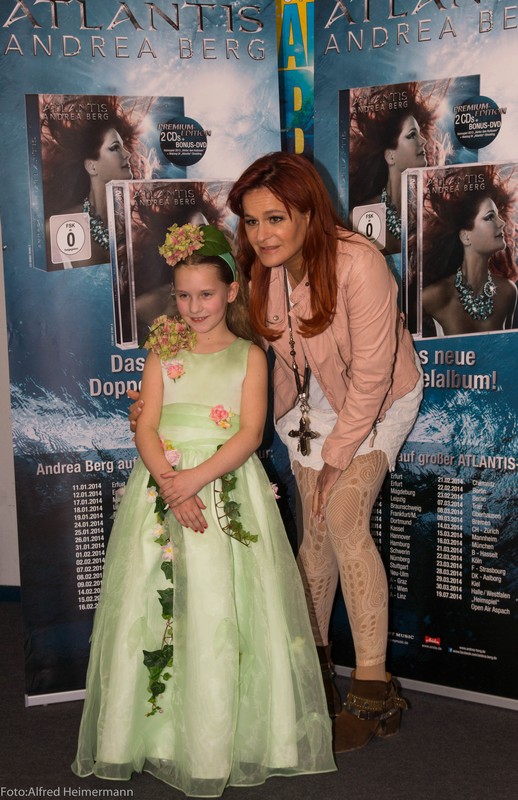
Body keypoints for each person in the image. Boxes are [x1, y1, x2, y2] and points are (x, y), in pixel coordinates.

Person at [72, 223, 336, 797]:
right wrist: (172, 486)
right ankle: (154, 735)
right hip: (162, 490)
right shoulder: (162, 352)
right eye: (185, 295)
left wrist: (194, 480)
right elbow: (146, 426)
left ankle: (224, 741)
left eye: (207, 294)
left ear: (232, 292)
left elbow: (249, 434)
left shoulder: (250, 356)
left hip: (222, 489)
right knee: (153, 605)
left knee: (223, 604)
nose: (195, 307)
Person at [225, 152, 424, 753]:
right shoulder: (261, 267)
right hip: (309, 410)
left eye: (275, 219)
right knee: (313, 531)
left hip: (379, 400)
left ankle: (372, 690)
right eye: (252, 221)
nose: (262, 235)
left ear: (310, 214)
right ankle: (314, 676)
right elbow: (261, 360)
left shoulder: (359, 262)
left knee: (341, 515)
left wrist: (338, 457)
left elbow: (372, 375)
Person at [41, 95, 150, 269]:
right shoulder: (56, 227)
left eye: (123, 146)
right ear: (91, 166)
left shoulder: (137, 227)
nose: (127, 154)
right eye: (115, 148)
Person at [348, 81, 450, 255]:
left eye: (420, 133)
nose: (423, 141)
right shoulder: (362, 215)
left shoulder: (431, 216)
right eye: (412, 135)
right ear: (390, 156)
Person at [421, 165, 518, 336]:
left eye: (498, 215)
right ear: (465, 236)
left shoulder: (508, 292)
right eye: (490, 217)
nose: (502, 223)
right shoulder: (435, 297)